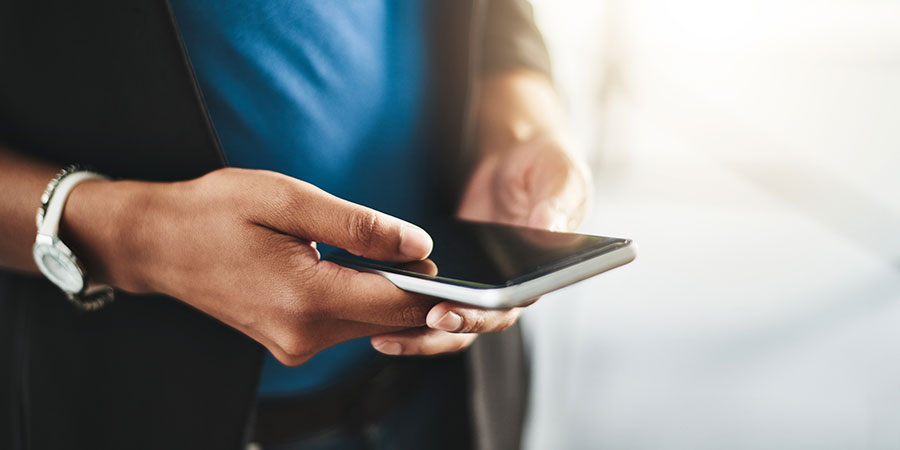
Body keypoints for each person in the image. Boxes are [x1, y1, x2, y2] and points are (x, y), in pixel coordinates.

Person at [0, 1, 590, 449]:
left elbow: (498, 18)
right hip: (121, 403)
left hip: (448, 398)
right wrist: (136, 238)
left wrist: (521, 122)